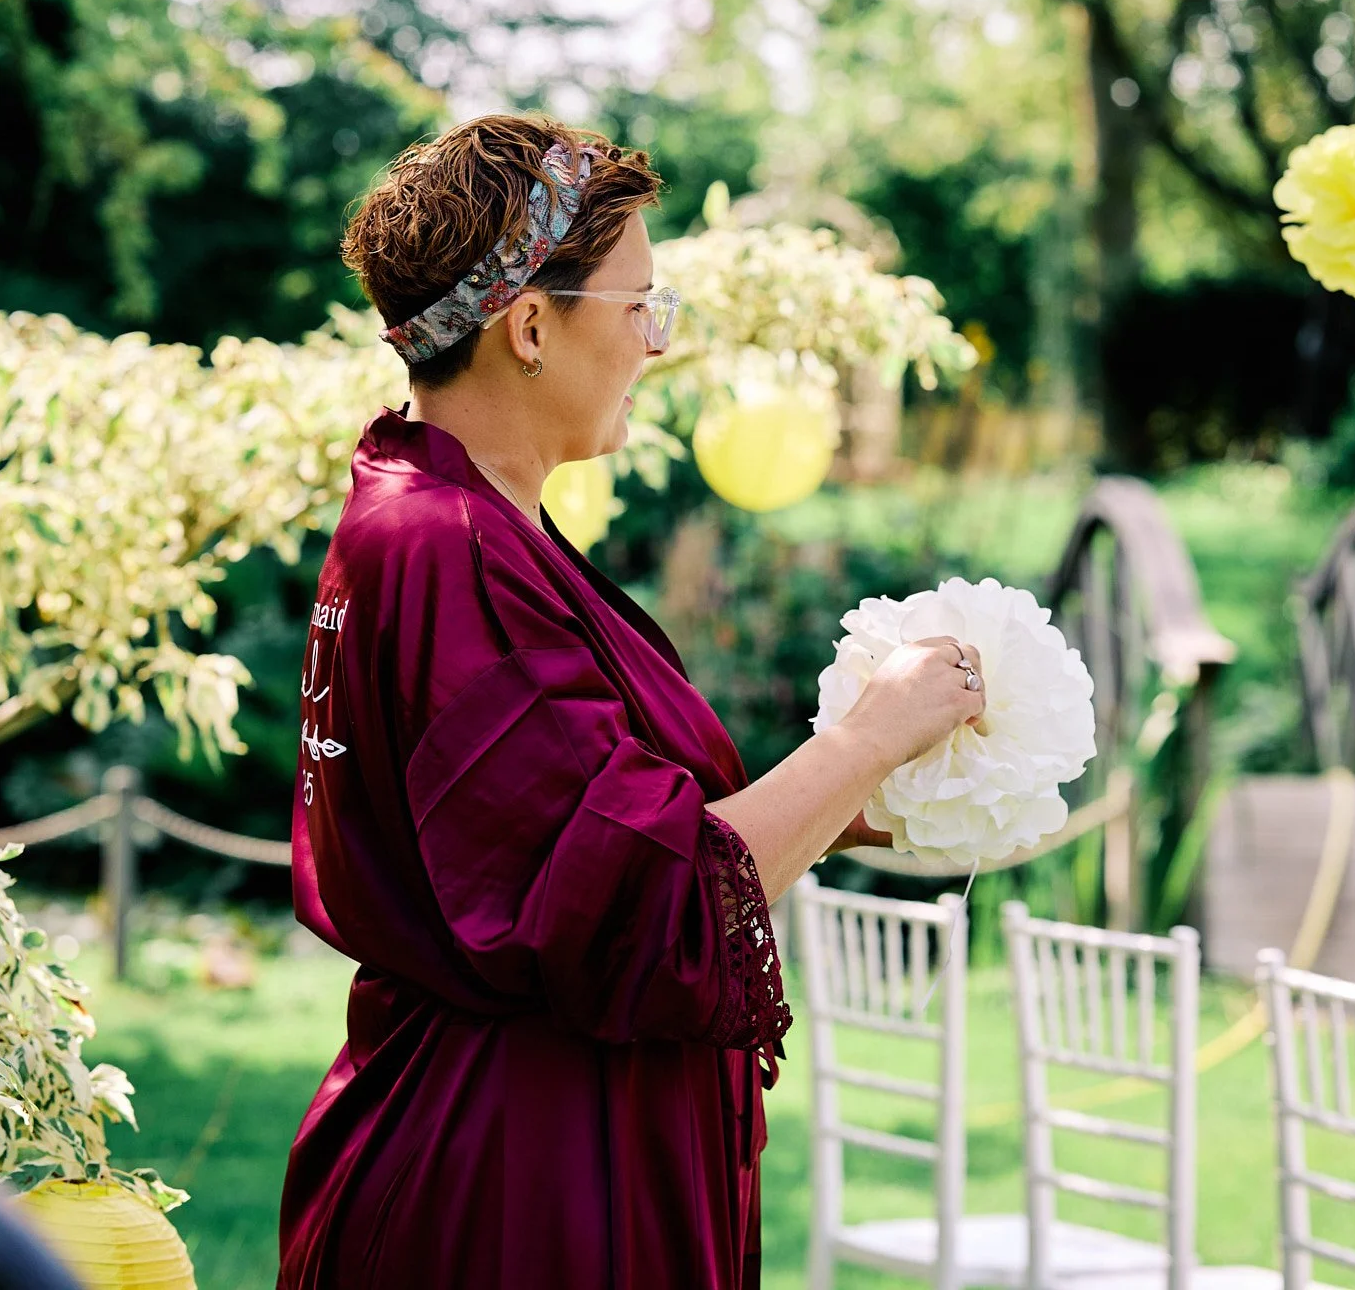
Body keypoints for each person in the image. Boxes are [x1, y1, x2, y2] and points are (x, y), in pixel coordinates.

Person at [277, 115, 986, 1290]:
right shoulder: (444, 543)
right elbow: (646, 902)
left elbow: (605, 850)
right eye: (641, 305)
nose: (658, 345)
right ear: (534, 323)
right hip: (512, 1190)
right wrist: (869, 730)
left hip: (533, 1145)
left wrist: (860, 784)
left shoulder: (456, 517)